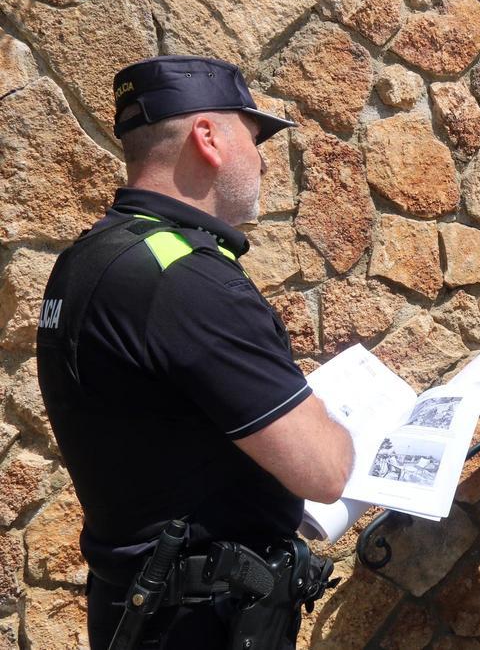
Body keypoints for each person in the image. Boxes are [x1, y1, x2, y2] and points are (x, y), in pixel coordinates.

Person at [36, 56, 354, 650]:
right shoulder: (187, 280)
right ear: (207, 137)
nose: (260, 161)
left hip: (137, 607)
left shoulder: (88, 256)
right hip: (199, 623)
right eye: (253, 138)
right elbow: (325, 470)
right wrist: (339, 430)